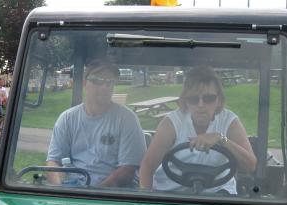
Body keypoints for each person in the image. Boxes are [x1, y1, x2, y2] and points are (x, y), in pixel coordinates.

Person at [139, 66, 257, 194]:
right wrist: (145, 200)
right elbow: (147, 167)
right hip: (172, 193)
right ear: (186, 101)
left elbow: (250, 166)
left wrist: (221, 139)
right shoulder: (172, 123)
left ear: (219, 100)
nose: (201, 105)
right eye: (194, 99)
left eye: (208, 98)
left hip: (217, 194)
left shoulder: (229, 121)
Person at [46, 59, 146, 187]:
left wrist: (93, 195)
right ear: (84, 83)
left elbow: (127, 170)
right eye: (97, 81)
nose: (105, 87)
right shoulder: (67, 119)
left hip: (112, 196)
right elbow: (53, 162)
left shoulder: (127, 119)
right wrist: (61, 187)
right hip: (73, 192)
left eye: (110, 82)